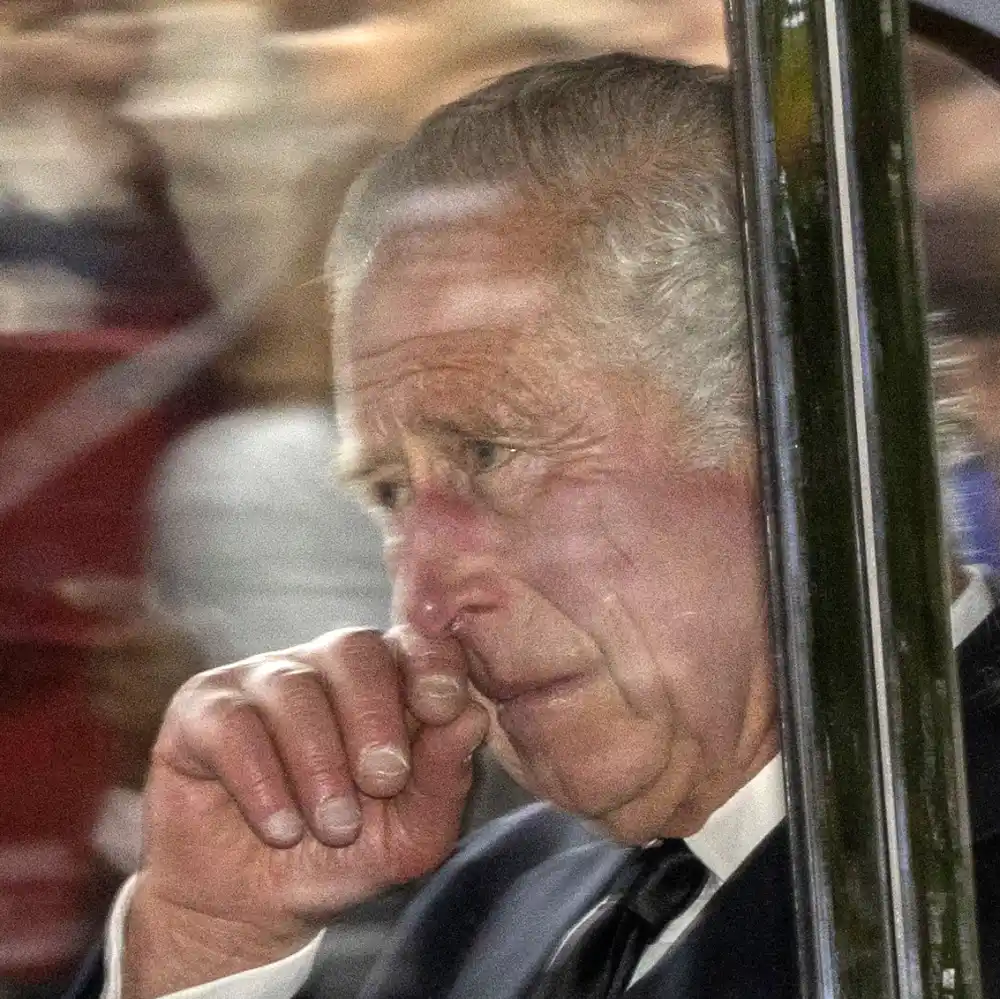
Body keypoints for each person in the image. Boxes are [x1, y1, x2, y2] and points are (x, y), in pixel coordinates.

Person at [68, 54, 1000, 999]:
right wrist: (203, 953)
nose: (421, 603)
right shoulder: (497, 895)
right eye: (389, 493)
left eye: (487, 454)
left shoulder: (938, 896)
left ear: (807, 437)